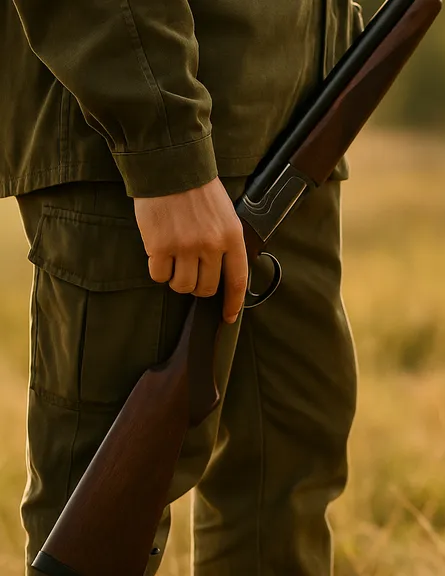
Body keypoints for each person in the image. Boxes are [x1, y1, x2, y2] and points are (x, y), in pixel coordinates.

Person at [2, 1, 363, 574]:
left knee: (289, 475)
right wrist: (164, 149)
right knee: (106, 506)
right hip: (133, 148)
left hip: (299, 128)